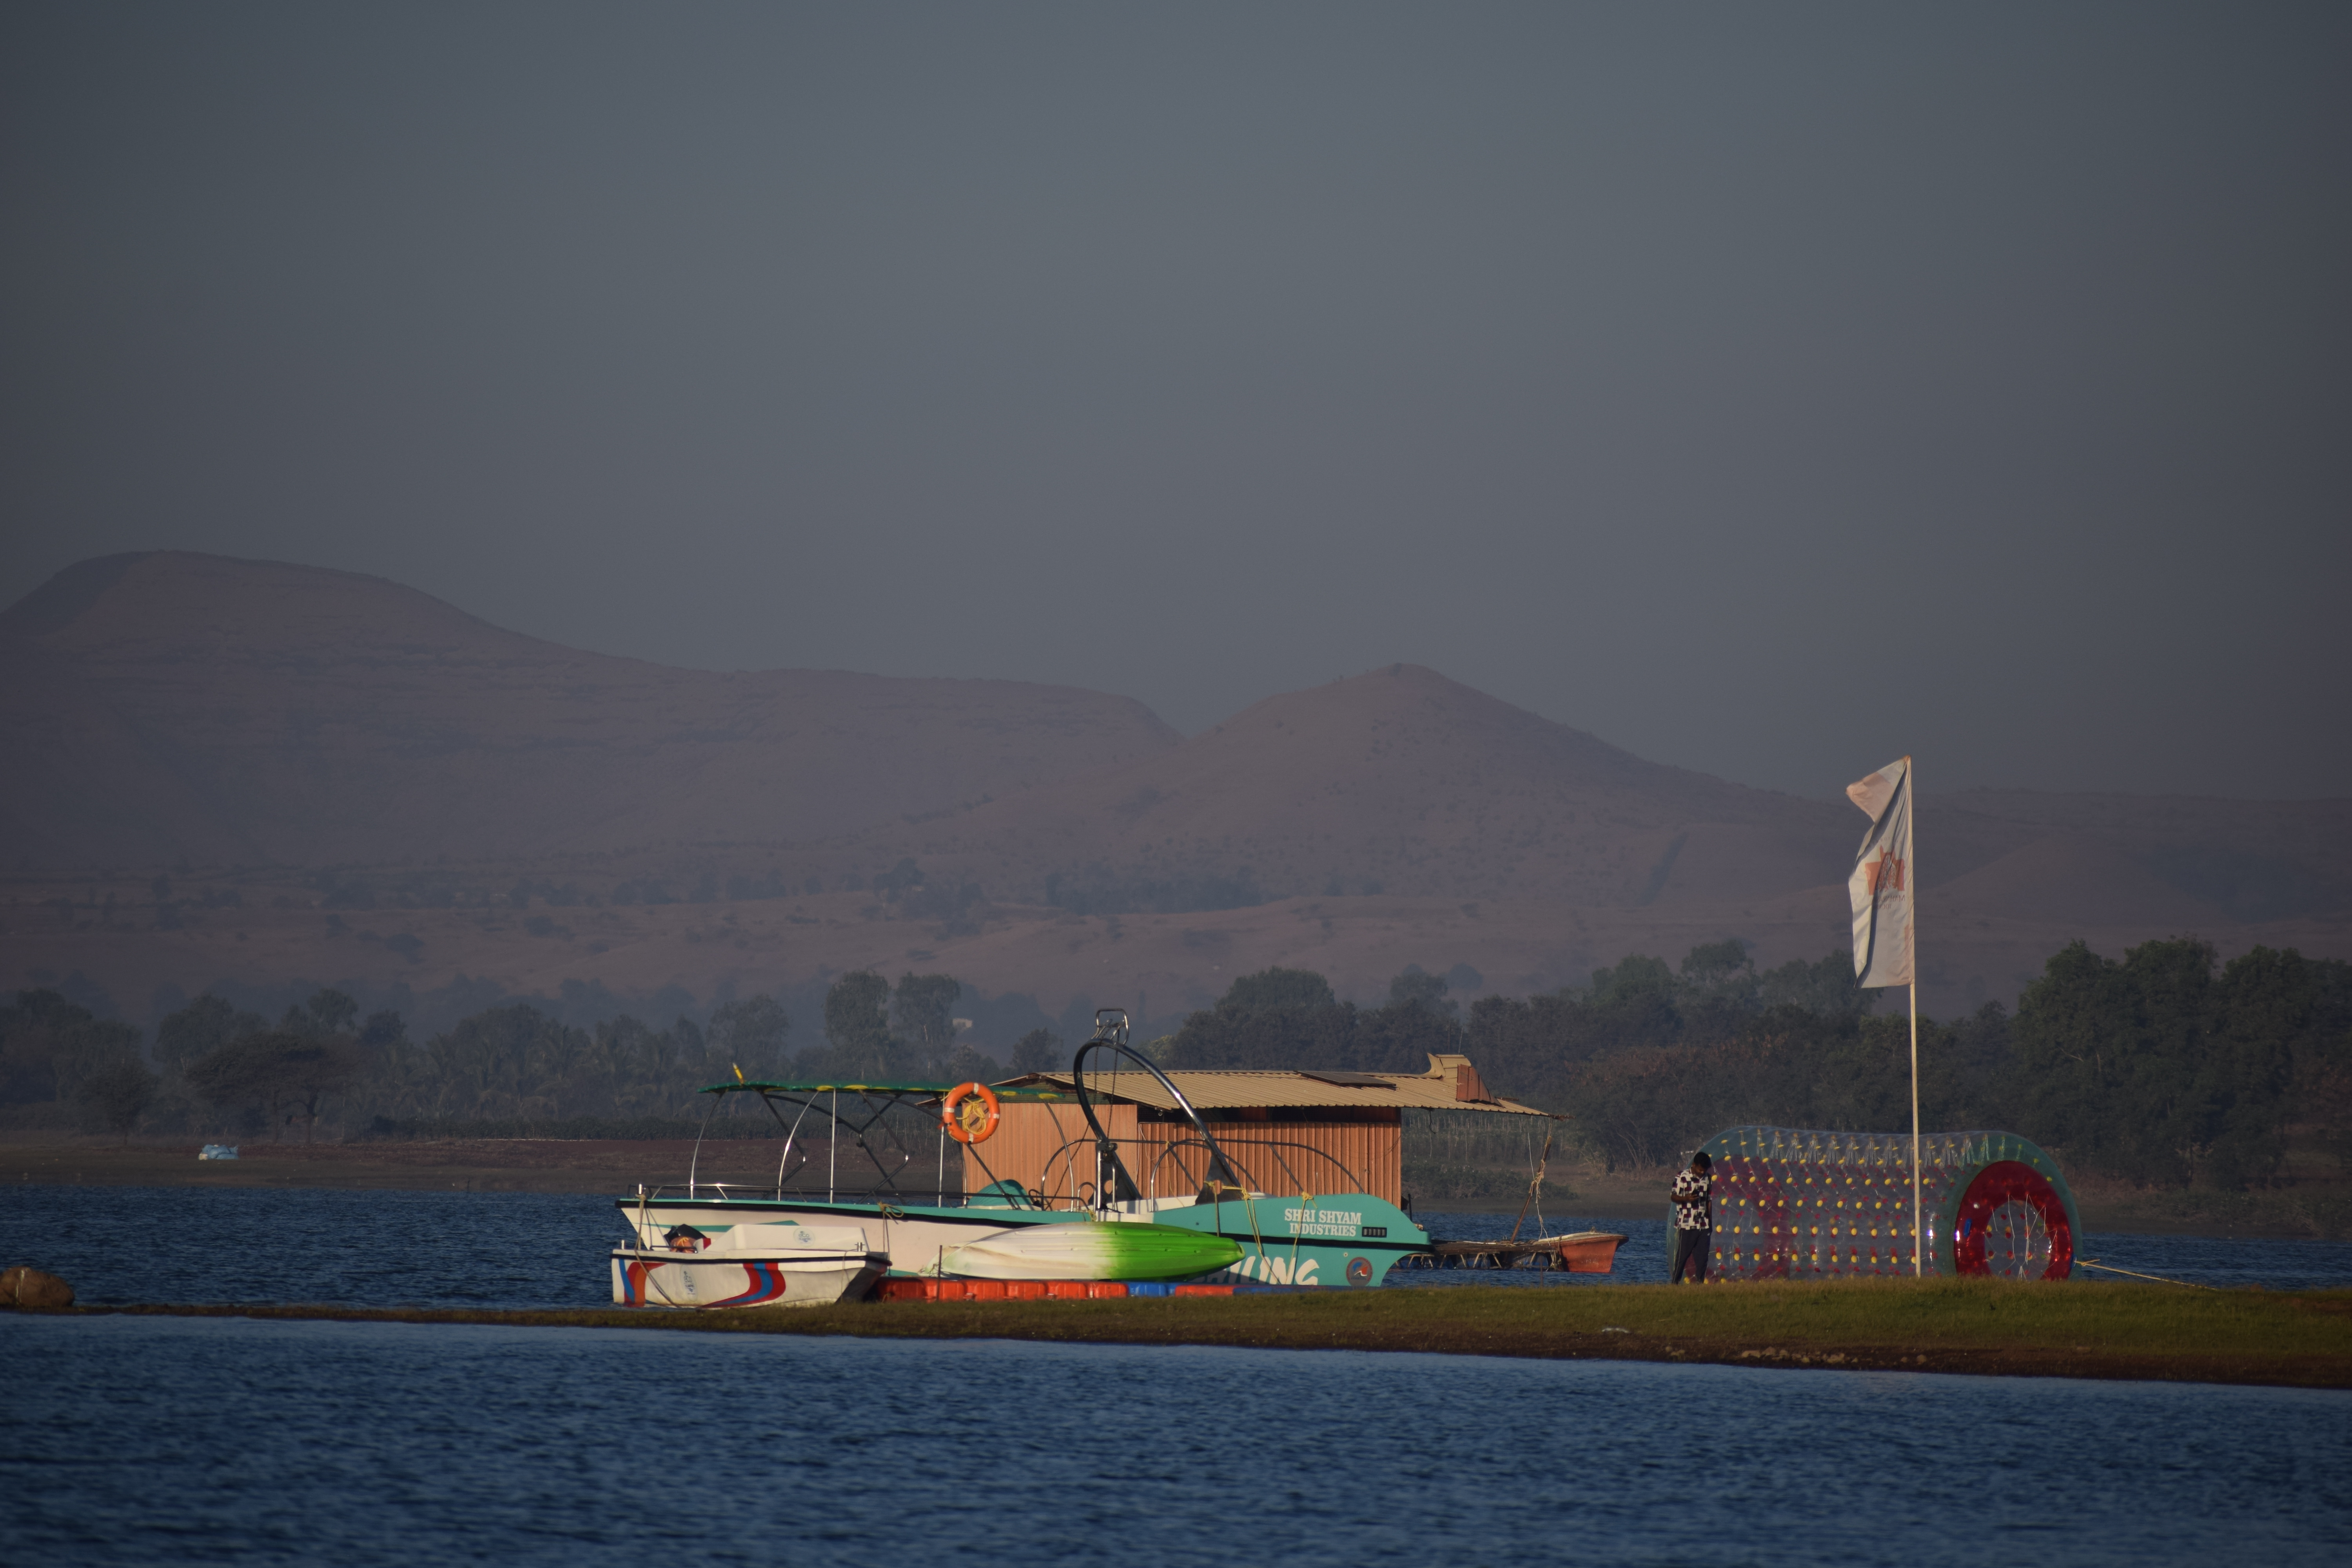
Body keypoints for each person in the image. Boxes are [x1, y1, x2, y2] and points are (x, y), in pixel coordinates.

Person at [1670, 1152, 1713, 1284]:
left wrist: (1710, 1222)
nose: (1702, 1172)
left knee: (1702, 1258)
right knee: (1682, 1256)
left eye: (1704, 1170)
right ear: (1694, 1165)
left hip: (1703, 1224)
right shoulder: (1682, 1177)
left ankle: (1700, 1283)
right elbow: (1673, 1197)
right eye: (1700, 1170)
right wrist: (1686, 1199)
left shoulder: (1708, 1178)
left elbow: (1709, 1201)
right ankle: (1675, 1283)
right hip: (1687, 1223)